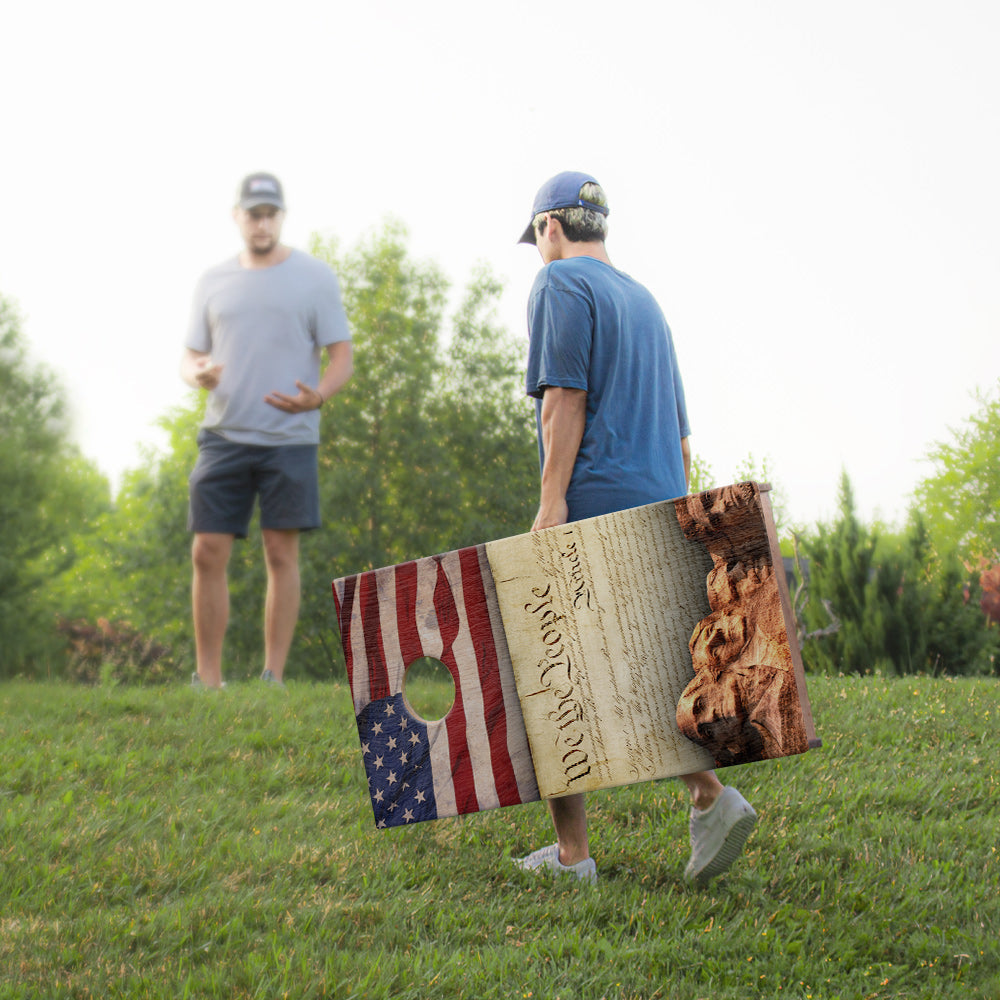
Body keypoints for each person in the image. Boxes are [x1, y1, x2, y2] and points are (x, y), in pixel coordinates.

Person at [513, 171, 757, 886]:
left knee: (552, 672)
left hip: (593, 496)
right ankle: (710, 800)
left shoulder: (561, 285)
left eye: (534, 236)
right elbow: (682, 438)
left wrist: (552, 502)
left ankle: (573, 857)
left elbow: (565, 398)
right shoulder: (648, 304)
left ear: (551, 227)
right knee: (642, 674)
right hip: (661, 498)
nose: (536, 249)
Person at [181, 172, 353, 689]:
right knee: (206, 550)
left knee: (281, 552)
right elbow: (190, 355)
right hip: (223, 436)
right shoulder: (212, 280)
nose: (261, 222)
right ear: (238, 216)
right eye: (253, 213)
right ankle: (208, 679)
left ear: (281, 216)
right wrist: (198, 373)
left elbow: (342, 355)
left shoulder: (315, 277)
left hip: (289, 438)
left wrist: (318, 395)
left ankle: (272, 676)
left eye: (270, 213)